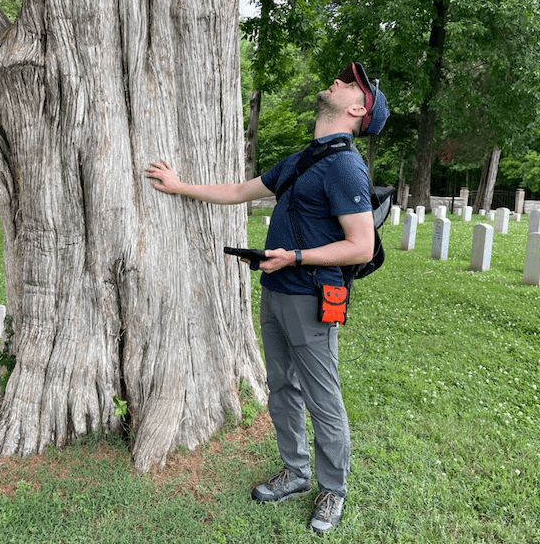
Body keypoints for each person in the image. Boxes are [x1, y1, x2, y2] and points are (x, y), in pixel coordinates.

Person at [145, 62, 389, 536]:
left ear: (358, 108)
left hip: (312, 297)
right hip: (276, 290)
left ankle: (332, 489)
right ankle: (296, 473)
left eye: (349, 83)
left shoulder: (345, 165)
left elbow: (360, 245)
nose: (337, 81)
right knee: (281, 388)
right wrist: (179, 185)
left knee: (322, 397)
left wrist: (295, 256)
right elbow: (239, 190)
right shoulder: (305, 158)